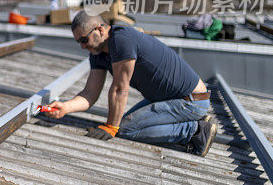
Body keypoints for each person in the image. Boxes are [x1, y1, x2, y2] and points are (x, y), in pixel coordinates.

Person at [45, 12, 217, 156]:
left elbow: (120, 89)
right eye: (78, 42)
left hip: (190, 101)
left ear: (99, 30)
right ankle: (190, 125)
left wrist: (110, 127)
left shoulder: (121, 41)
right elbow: (90, 93)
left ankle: (194, 131)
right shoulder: (98, 53)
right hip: (170, 99)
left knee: (126, 130)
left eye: (84, 40)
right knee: (123, 126)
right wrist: (65, 107)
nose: (82, 47)